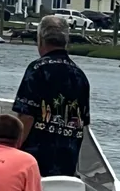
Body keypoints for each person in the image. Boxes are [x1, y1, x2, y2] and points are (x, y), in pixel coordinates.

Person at [12, 15, 91, 177]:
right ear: (66, 41)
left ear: (40, 39)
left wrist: (12, 153)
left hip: (36, 161)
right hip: (67, 163)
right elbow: (82, 124)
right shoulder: (80, 76)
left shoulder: (37, 69)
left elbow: (26, 117)